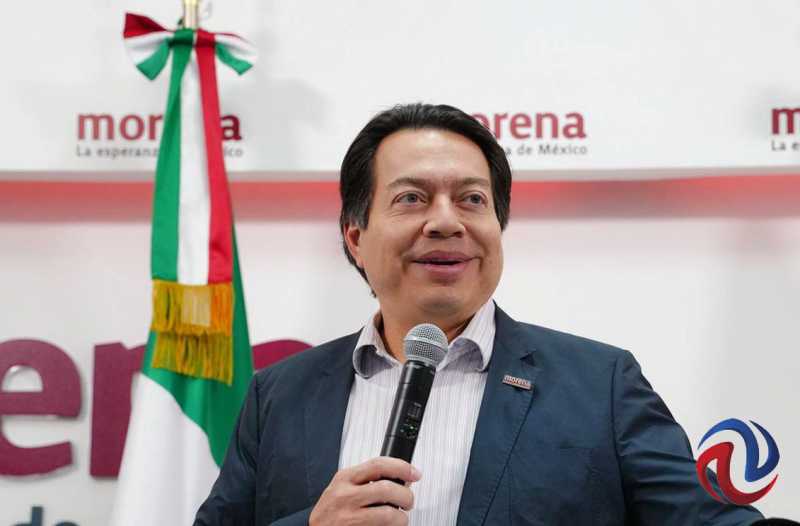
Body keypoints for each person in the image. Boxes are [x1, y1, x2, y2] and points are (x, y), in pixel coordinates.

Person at [194, 103, 764, 525]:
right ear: (355, 238)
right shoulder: (280, 395)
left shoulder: (601, 385)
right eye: (411, 198)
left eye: (472, 199)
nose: (446, 222)